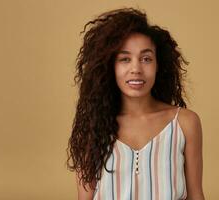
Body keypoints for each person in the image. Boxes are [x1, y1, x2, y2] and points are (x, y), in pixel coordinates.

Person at [66, 7, 205, 200]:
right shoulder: (93, 127)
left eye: (146, 59)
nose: (136, 69)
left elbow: (196, 195)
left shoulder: (185, 123)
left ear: (158, 65)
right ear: (109, 66)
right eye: (124, 59)